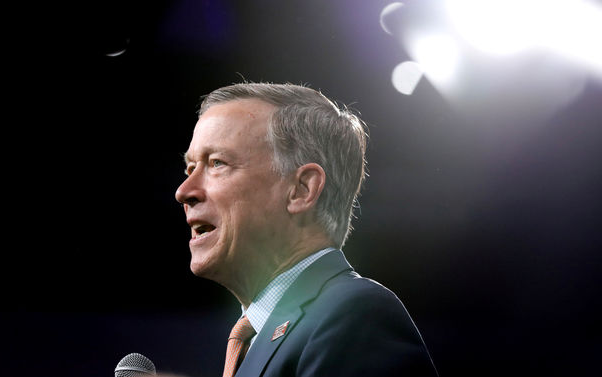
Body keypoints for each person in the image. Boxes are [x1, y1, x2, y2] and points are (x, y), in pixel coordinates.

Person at [175, 82, 438, 377]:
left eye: (217, 163)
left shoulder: (356, 315)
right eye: (190, 168)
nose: (184, 191)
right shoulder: (262, 336)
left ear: (301, 189)